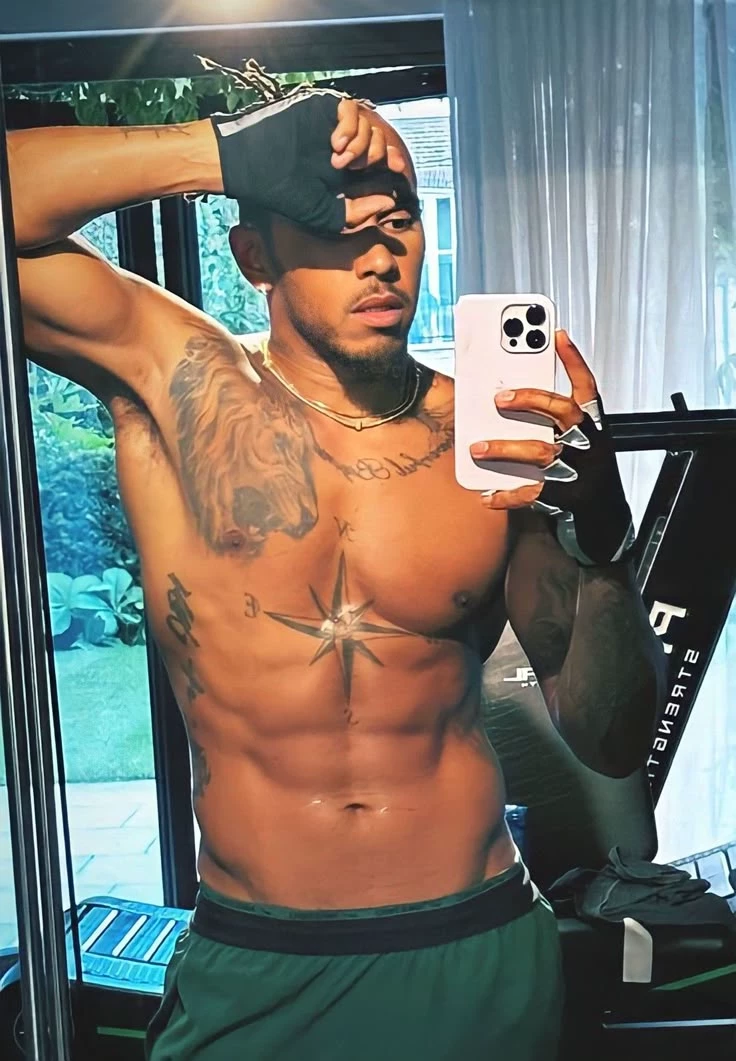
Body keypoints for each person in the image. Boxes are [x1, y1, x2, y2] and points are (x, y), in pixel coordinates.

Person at [7, 78, 665, 1061]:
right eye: (331, 224)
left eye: (398, 223)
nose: (378, 255)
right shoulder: (173, 376)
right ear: (253, 256)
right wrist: (222, 149)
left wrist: (606, 552)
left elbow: (609, 738)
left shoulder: (488, 440)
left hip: (476, 945)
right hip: (259, 960)